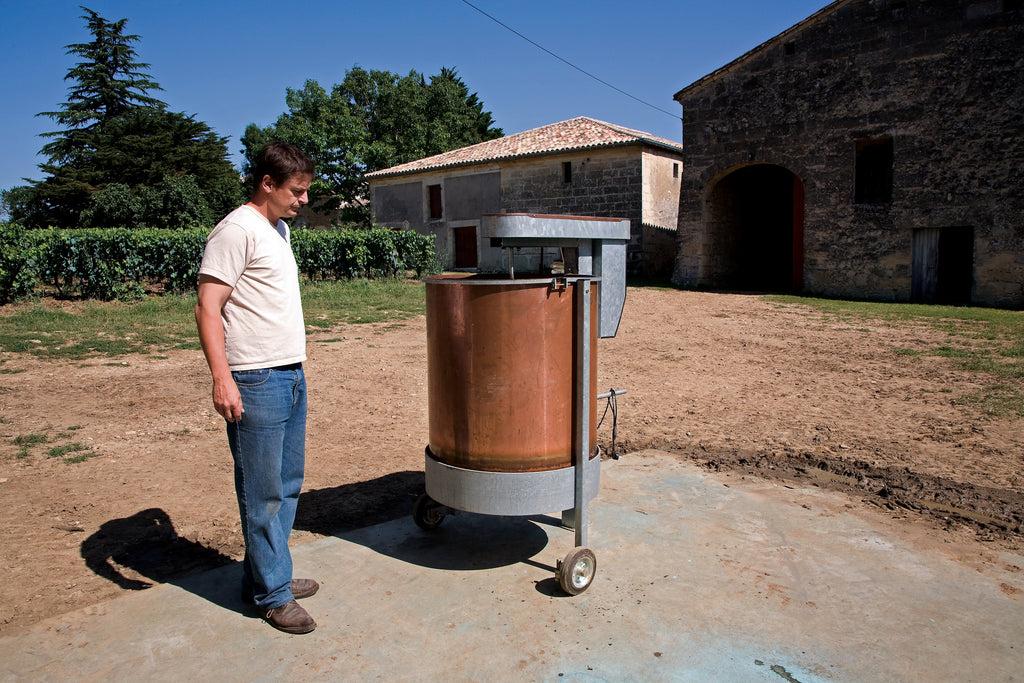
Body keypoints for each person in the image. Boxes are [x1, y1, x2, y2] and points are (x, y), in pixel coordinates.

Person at [194, 142, 319, 634]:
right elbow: (207, 307)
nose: (304, 200)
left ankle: (266, 576)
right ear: (268, 183)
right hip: (255, 378)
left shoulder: (278, 229)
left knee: (287, 485)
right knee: (262, 493)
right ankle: (273, 596)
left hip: (289, 373)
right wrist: (221, 378)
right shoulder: (236, 230)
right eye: (297, 190)